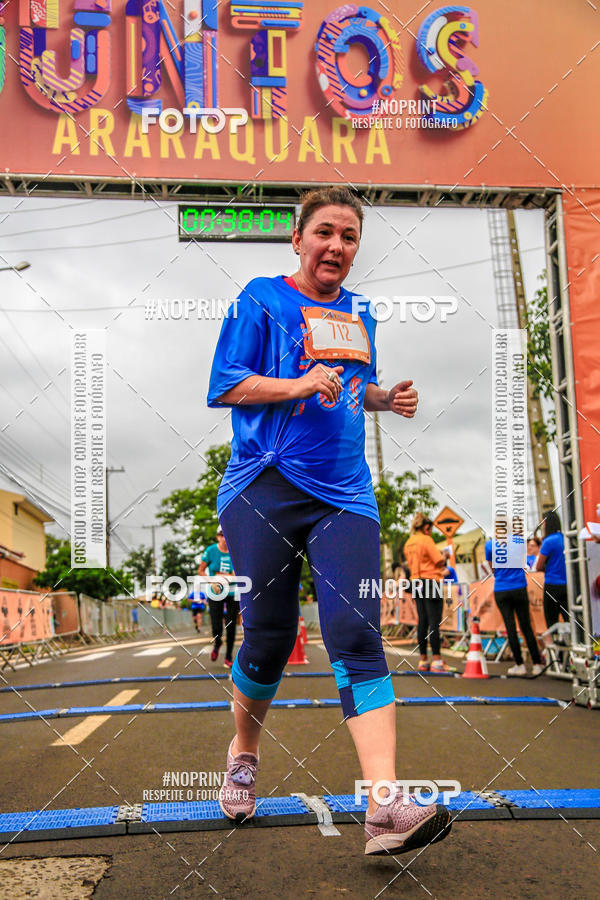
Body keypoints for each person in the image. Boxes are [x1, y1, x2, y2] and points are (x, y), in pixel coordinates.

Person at [206, 187, 451, 856]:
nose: (337, 246)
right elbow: (224, 383)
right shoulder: (261, 297)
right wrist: (294, 384)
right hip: (264, 485)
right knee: (268, 635)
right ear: (298, 240)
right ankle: (244, 754)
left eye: (348, 236)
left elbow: (343, 390)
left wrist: (382, 397)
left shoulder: (361, 312)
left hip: (345, 493)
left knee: (355, 629)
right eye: (325, 233)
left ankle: (382, 807)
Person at [485, 529, 544, 676]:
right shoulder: (519, 543)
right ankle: (537, 664)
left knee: (510, 626)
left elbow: (492, 567)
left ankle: (519, 664)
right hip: (519, 586)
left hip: (501, 588)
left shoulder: (490, 545)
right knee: (526, 626)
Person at [403, 514, 452, 672]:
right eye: (430, 529)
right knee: (434, 622)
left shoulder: (408, 543)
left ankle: (423, 660)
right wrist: (445, 556)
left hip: (416, 581)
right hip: (431, 581)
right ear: (426, 527)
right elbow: (438, 561)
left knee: (422, 621)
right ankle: (437, 660)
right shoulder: (426, 540)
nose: (430, 532)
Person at [198, 527, 240, 668]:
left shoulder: (236, 551)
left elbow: (241, 572)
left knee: (231, 625)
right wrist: (212, 581)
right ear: (218, 537)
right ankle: (217, 642)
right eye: (221, 535)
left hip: (233, 592)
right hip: (215, 591)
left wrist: (231, 577)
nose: (224, 538)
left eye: (226, 535)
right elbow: (201, 570)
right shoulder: (210, 551)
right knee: (216, 625)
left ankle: (228, 656)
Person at [536, 511, 569, 639]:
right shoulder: (564, 537)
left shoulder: (548, 541)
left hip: (552, 584)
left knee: (551, 620)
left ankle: (557, 651)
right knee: (568, 618)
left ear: (546, 523)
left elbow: (539, 565)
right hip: (566, 584)